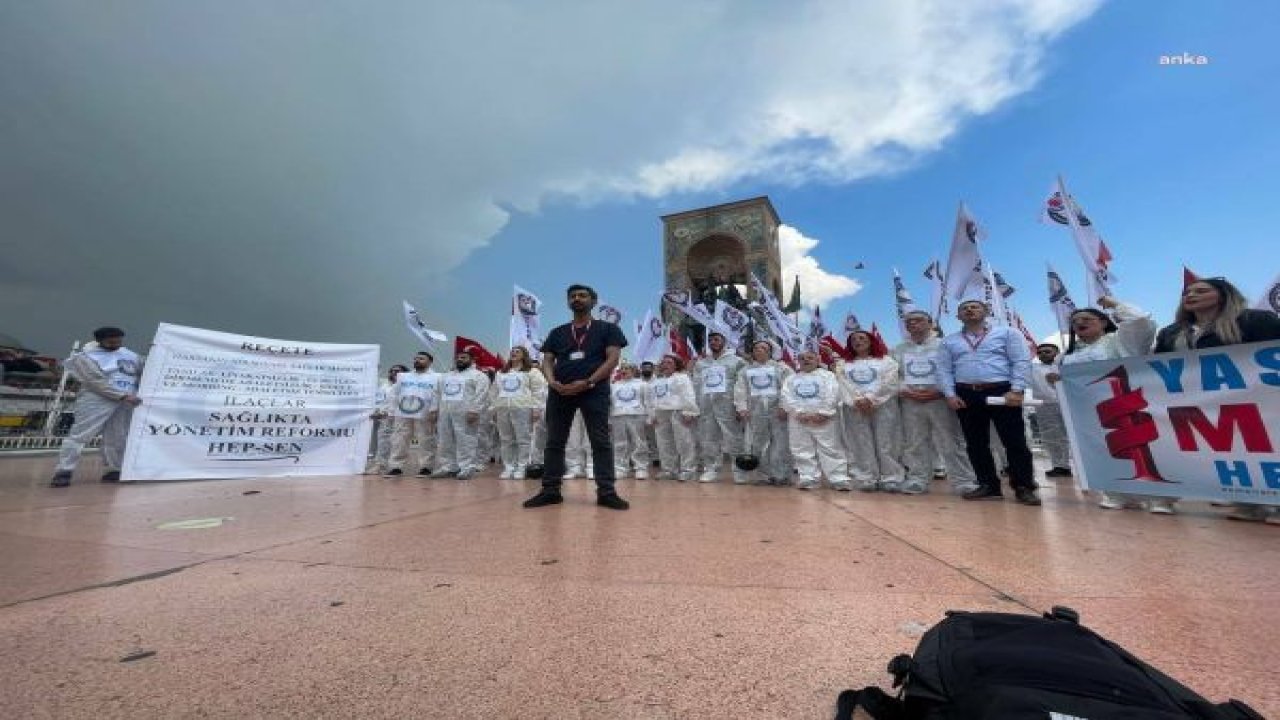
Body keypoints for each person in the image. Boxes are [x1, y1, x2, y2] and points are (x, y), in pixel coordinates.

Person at [1154, 277, 1280, 523]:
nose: (1191, 295)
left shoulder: (1255, 320)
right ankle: (1247, 503)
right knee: (1230, 451)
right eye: (1188, 292)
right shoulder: (1170, 333)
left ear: (1223, 295)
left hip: (1252, 400)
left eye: (1201, 290)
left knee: (1263, 446)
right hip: (1196, 404)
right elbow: (1156, 367)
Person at [523, 284, 630, 510]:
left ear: (593, 301)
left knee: (600, 441)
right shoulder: (558, 332)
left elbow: (612, 359)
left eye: (582, 295)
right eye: (573, 296)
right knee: (554, 442)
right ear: (568, 302)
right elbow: (548, 360)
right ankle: (550, 490)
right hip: (560, 391)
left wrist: (590, 381)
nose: (577, 299)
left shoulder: (608, 329)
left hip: (594, 390)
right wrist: (551, 382)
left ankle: (607, 492)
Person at [1056, 298, 1162, 511]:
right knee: (1104, 449)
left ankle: (1160, 497)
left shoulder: (1118, 341)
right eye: (1075, 321)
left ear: (1103, 322)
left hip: (1126, 403)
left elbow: (1140, 321)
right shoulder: (1067, 355)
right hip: (1089, 412)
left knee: (1143, 447)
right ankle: (1116, 492)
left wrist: (1114, 304)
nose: (1080, 323)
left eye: (1087, 318)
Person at [936, 300, 1040, 506]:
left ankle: (1023, 486)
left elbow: (1020, 361)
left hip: (1002, 391)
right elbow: (944, 370)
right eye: (964, 308)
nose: (969, 310)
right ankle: (988, 485)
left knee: (1014, 441)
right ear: (958, 316)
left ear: (987, 312)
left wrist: (1017, 389)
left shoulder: (1007, 333)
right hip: (966, 393)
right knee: (975, 443)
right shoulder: (949, 341)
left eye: (975, 307)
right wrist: (949, 394)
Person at [893, 311, 978, 495]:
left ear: (930, 323)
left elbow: (955, 370)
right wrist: (905, 390)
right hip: (911, 400)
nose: (913, 324)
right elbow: (894, 375)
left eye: (918, 320)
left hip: (940, 399)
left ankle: (964, 481)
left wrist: (941, 390)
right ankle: (917, 479)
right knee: (914, 442)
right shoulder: (898, 349)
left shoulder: (945, 344)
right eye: (909, 322)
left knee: (951, 441)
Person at [50, 327, 145, 487]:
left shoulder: (131, 355)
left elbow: (144, 370)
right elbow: (95, 382)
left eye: (119, 341)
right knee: (81, 434)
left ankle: (114, 469)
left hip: (126, 400)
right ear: (100, 341)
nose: (116, 344)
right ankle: (64, 470)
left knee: (118, 436)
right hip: (97, 399)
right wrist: (121, 395)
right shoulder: (86, 357)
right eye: (111, 341)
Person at [836, 330, 905, 492]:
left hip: (883, 406)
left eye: (862, 338)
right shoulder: (843, 364)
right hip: (855, 407)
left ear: (871, 341)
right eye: (853, 339)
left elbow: (890, 382)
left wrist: (872, 398)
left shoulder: (887, 361)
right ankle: (867, 476)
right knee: (860, 442)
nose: (857, 341)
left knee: (886, 441)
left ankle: (891, 476)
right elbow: (842, 384)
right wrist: (856, 400)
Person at [780, 350, 852, 491]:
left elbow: (833, 394)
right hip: (799, 420)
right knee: (801, 449)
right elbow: (786, 397)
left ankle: (838, 478)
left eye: (810, 358)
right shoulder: (791, 379)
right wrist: (799, 413)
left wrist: (823, 413)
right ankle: (808, 477)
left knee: (830, 448)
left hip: (824, 420)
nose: (806, 360)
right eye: (802, 358)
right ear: (798, 362)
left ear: (818, 360)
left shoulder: (828, 376)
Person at [732, 339, 793, 485]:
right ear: (752, 352)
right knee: (758, 444)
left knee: (781, 443)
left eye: (763, 348)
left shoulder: (781, 368)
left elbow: (789, 387)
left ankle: (781, 475)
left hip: (777, 411)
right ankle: (763, 475)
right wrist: (742, 408)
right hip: (755, 412)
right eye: (756, 348)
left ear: (770, 352)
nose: (759, 350)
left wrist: (784, 406)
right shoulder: (745, 370)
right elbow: (740, 390)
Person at [692, 331, 747, 483]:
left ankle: (740, 470)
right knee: (708, 439)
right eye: (710, 340)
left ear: (724, 342)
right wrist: (695, 407)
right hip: (706, 407)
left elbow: (742, 386)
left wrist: (739, 406)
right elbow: (696, 386)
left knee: (734, 439)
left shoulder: (737, 361)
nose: (713, 342)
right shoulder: (701, 364)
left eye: (716, 340)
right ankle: (710, 469)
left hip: (728, 406)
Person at [429, 351, 490, 480]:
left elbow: (481, 394)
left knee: (466, 440)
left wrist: (475, 410)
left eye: (463, 357)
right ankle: (448, 467)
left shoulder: (478, 376)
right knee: (445, 440)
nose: (460, 360)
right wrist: (434, 409)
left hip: (466, 412)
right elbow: (436, 393)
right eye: (458, 358)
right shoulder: (445, 376)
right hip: (445, 412)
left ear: (472, 359)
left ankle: (466, 467)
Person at [489, 346, 546, 480]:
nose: (514, 353)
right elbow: (494, 392)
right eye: (512, 352)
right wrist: (494, 409)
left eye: (517, 351)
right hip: (503, 408)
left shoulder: (532, 371)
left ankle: (522, 467)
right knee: (506, 439)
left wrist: (537, 408)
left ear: (524, 355)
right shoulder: (501, 373)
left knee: (523, 439)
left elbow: (539, 391)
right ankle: (509, 467)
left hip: (523, 408)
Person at [384, 353, 439, 477]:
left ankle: (426, 467)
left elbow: (437, 394)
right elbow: (394, 394)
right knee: (399, 440)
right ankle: (395, 467)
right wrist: (391, 411)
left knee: (426, 440)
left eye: (421, 359)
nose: (417, 360)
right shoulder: (403, 376)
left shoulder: (437, 377)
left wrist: (434, 410)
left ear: (430, 362)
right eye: (415, 358)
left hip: (425, 413)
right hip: (403, 413)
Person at [648, 354, 701, 481]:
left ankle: (688, 470)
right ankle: (668, 469)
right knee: (664, 443)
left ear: (676, 365)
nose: (665, 365)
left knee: (684, 442)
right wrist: (652, 415)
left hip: (678, 412)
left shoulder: (682, 378)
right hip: (661, 413)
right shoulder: (656, 381)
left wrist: (689, 411)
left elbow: (688, 394)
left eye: (669, 362)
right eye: (664, 362)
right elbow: (652, 399)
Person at [1029, 343, 1073, 479]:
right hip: (1045, 406)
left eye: (1047, 351)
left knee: (1072, 436)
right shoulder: (1033, 368)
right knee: (1051, 437)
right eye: (1040, 352)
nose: (1043, 354)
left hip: (1068, 404)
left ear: (1056, 352)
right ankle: (1060, 466)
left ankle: (1079, 465)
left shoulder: (1067, 366)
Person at [609, 363, 652, 479]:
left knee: (639, 442)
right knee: (619, 444)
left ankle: (641, 468)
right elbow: (611, 404)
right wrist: (609, 419)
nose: (624, 370)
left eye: (627, 368)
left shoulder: (642, 384)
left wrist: (649, 417)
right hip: (618, 416)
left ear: (633, 371)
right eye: (622, 369)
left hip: (637, 415)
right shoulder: (614, 385)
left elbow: (648, 401)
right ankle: (620, 468)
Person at [366, 364, 408, 475]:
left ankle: (396, 467)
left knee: (399, 444)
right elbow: (379, 401)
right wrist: (377, 411)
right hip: (384, 418)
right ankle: (380, 466)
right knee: (382, 443)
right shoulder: (384, 386)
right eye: (392, 371)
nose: (394, 373)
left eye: (397, 371)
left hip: (401, 418)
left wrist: (391, 412)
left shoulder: (407, 386)